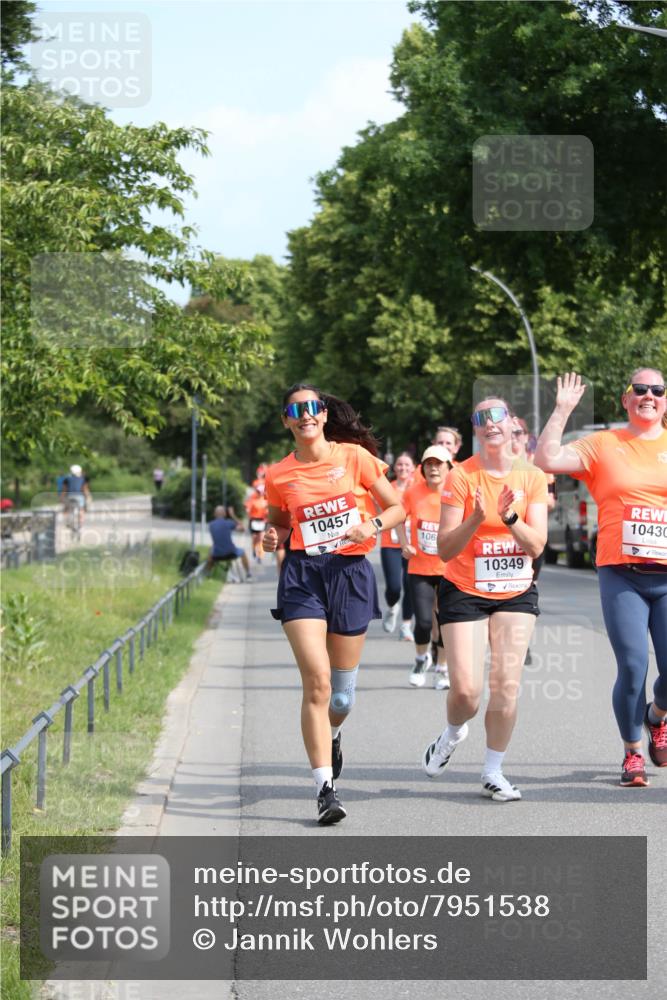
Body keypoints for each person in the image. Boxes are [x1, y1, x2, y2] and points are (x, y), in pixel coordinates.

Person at [263, 383, 405, 825]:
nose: (305, 414)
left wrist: (372, 526)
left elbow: (398, 508)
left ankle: (334, 732)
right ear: (287, 420)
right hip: (304, 576)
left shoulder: (355, 457)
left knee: (340, 696)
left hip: (350, 573)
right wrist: (271, 539)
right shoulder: (278, 474)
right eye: (296, 409)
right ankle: (325, 788)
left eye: (313, 407)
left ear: (323, 415)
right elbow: (279, 525)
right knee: (317, 683)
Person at [534, 370, 667, 787]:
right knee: (633, 666)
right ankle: (631, 754)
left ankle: (656, 717)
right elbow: (546, 461)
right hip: (621, 574)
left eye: (658, 390)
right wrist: (562, 410)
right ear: (626, 400)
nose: (649, 395)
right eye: (640, 390)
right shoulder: (604, 443)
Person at [422, 397, 548, 801]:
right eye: (481, 418)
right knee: (466, 693)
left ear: (511, 423)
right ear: (475, 430)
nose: (489, 422)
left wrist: (510, 520)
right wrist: (476, 519)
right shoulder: (462, 477)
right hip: (464, 589)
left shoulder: (532, 477)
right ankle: (453, 732)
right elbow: (443, 549)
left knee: (506, 686)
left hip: (515, 591)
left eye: (497, 415)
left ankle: (493, 770)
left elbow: (537, 545)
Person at [397, 445, 453, 689]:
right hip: (419, 567)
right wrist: (404, 543)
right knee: (423, 622)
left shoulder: (456, 492)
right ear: (422, 468)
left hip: (450, 568)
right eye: (428, 464)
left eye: (438, 464)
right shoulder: (413, 492)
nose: (433, 468)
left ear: (448, 467)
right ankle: (421, 659)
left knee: (445, 621)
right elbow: (397, 517)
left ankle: (442, 668)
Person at [511, 415, 556, 664]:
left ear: (527, 438)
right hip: (500, 541)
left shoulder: (539, 469)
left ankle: (522, 641)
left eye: (519, 433)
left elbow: (551, 500)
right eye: (511, 432)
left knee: (526, 589)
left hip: (531, 539)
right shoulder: (496, 467)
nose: (514, 437)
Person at [380, 453, 416, 641]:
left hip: (412, 544)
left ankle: (406, 625)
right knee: (394, 586)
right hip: (391, 543)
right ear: (395, 468)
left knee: (409, 584)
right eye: (400, 465)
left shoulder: (418, 488)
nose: (403, 468)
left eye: (407, 464)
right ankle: (393, 606)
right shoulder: (389, 488)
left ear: (413, 468)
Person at [205, 505, 252, 579]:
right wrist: (233, 515)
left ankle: (207, 574)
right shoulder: (229, 523)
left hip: (216, 555)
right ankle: (248, 574)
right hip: (231, 553)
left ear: (214, 514)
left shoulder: (211, 525)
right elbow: (243, 528)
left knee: (211, 551)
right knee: (243, 552)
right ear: (224, 514)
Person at [59, 464, 91, 529]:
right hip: (79, 497)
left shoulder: (67, 479)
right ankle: (81, 523)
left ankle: (67, 521)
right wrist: (88, 496)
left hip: (69, 496)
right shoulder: (83, 478)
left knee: (66, 508)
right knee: (82, 509)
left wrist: (61, 498)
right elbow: (84, 489)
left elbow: (64, 490)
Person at [247, 485, 269, 563]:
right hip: (254, 520)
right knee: (254, 538)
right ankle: (254, 550)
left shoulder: (266, 502)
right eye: (258, 491)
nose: (259, 493)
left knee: (261, 538)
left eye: (260, 492)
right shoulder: (253, 500)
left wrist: (267, 515)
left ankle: (260, 555)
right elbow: (248, 511)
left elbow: (269, 512)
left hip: (262, 521)